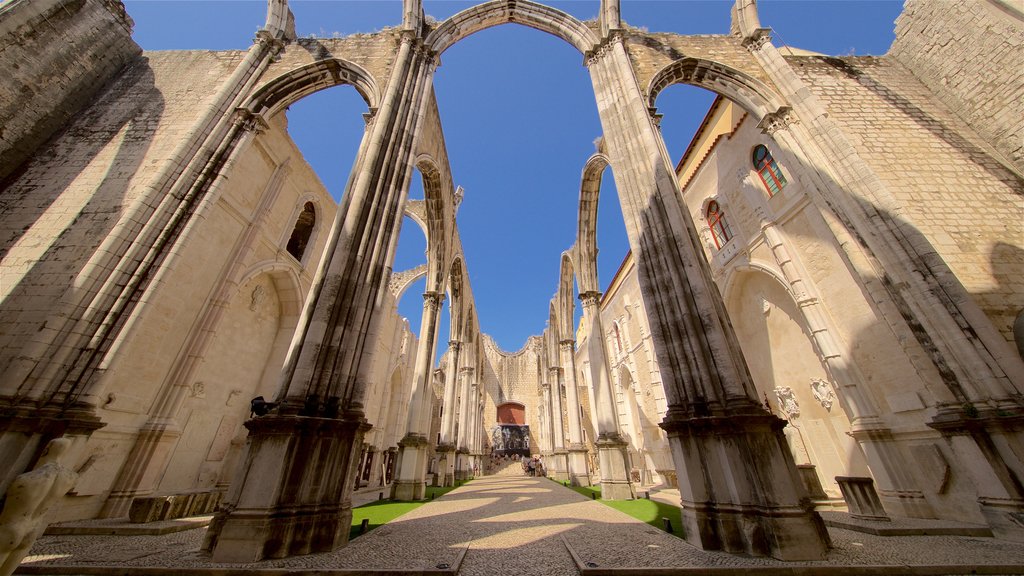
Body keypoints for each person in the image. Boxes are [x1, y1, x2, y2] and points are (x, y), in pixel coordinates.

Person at [0, 438, 78, 576]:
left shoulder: (29, 478)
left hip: (11, 526)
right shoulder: (71, 477)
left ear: (46, 449)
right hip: (34, 528)